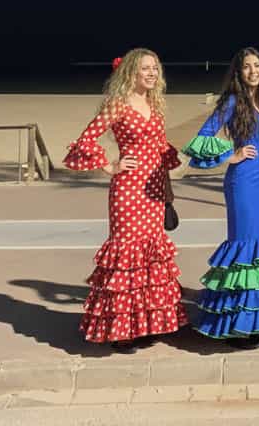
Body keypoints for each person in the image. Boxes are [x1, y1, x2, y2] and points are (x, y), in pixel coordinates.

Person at [62, 48, 188, 351]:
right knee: (127, 255)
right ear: (131, 72)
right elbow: (85, 139)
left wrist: (184, 157)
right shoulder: (116, 104)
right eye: (146, 68)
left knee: (150, 255)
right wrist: (110, 166)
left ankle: (147, 324)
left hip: (155, 189)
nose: (152, 73)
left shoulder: (154, 104)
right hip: (129, 189)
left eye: (155, 68)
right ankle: (121, 329)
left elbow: (160, 145)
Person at [184, 47, 259, 344]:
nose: (253, 71)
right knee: (245, 249)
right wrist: (229, 155)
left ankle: (258, 318)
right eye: (247, 67)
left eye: (257, 66)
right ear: (238, 71)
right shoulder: (232, 101)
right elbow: (203, 136)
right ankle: (239, 325)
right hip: (242, 183)